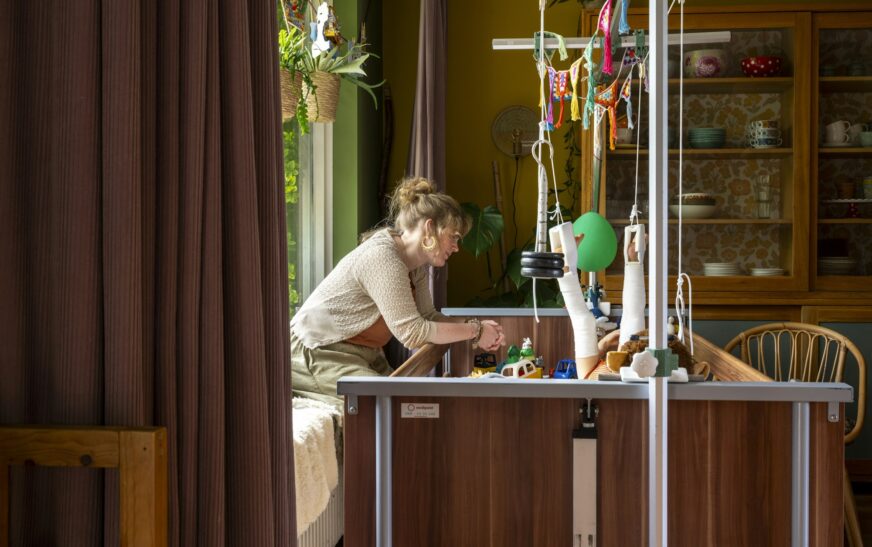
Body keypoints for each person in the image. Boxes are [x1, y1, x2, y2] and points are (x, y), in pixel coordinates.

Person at [291, 177, 506, 408]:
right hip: (318, 351)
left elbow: (428, 317)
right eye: (453, 237)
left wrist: (478, 327)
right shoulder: (383, 257)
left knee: (404, 409)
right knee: (387, 408)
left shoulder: (415, 267)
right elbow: (412, 333)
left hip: (364, 353)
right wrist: (475, 330)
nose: (456, 247)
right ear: (429, 228)